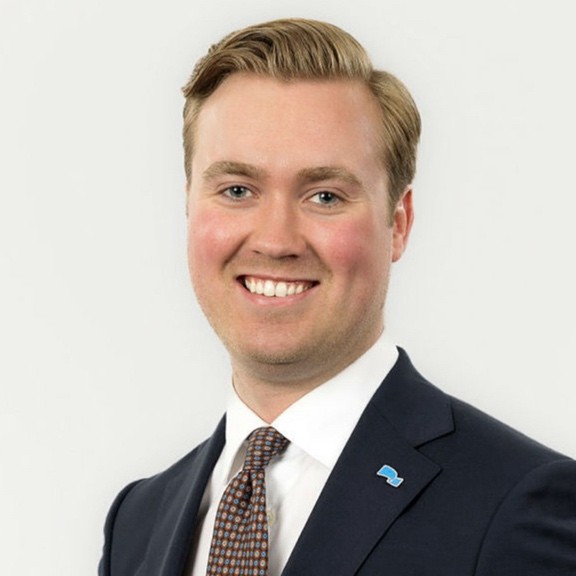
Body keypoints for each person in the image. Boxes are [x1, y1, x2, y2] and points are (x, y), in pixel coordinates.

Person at [99, 18, 576, 576]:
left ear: (398, 224)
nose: (276, 240)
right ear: (190, 205)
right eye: (236, 190)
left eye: (325, 195)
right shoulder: (139, 520)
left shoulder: (514, 503)